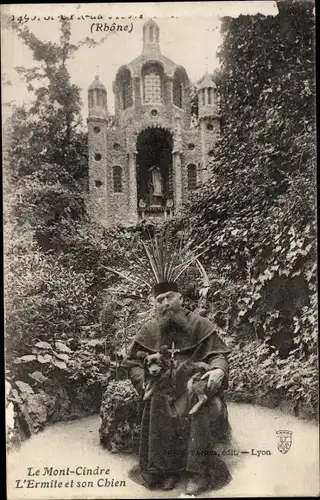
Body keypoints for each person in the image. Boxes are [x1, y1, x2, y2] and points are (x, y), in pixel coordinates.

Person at [122, 281, 232, 495]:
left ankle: (197, 472)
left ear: (180, 299)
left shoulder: (200, 324)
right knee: (157, 398)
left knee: (194, 396)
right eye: (160, 300)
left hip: (191, 386)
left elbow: (218, 354)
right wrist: (143, 381)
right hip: (164, 388)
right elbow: (133, 363)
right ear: (155, 304)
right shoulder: (150, 329)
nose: (165, 303)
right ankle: (164, 471)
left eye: (169, 297)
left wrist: (219, 370)